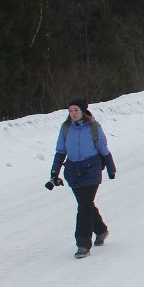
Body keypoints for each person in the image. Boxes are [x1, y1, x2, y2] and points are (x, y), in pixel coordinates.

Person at [50, 98, 116, 259]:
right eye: (70, 111)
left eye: (76, 110)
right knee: (86, 204)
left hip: (91, 171)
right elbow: (60, 151)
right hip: (73, 171)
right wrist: (54, 172)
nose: (73, 114)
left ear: (83, 111)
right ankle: (101, 230)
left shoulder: (94, 127)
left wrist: (111, 167)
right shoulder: (66, 128)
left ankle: (83, 244)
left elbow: (103, 149)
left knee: (84, 206)